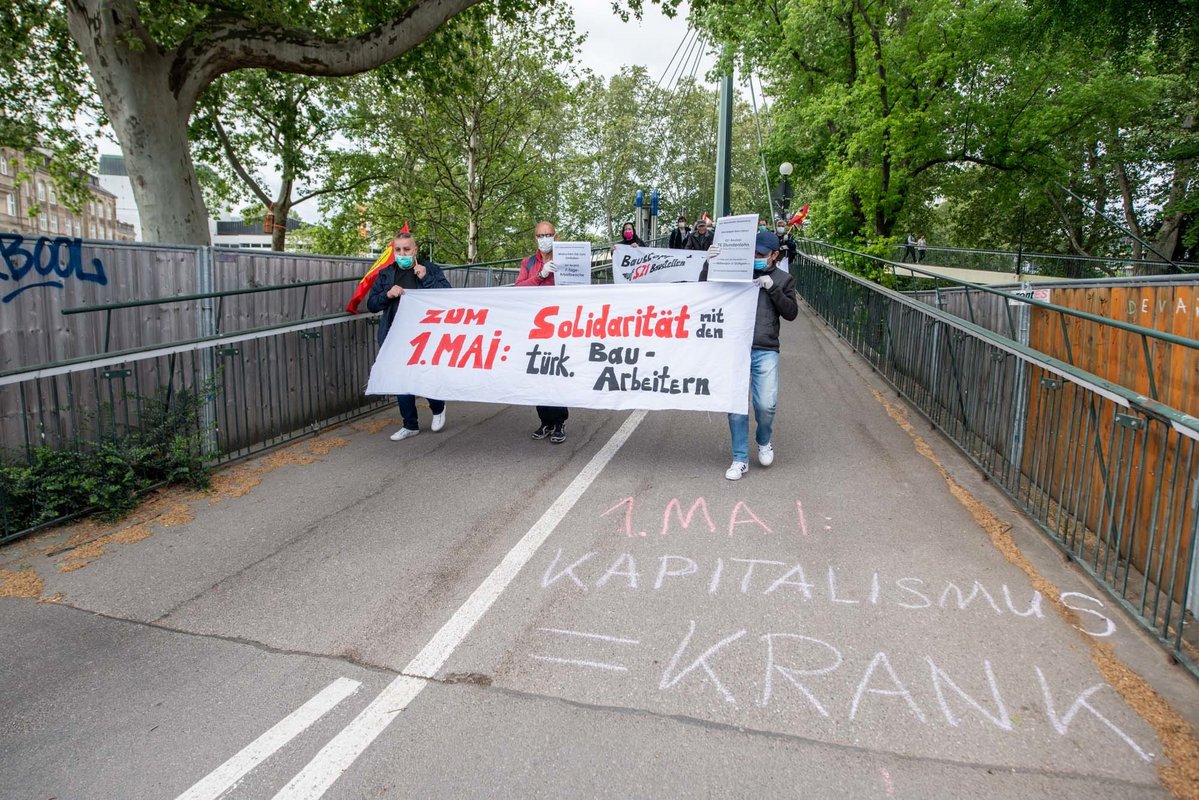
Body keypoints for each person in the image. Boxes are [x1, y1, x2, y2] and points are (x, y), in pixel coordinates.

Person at [701, 231, 799, 480]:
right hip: (735, 347)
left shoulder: (784, 279)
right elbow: (705, 291)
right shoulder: (736, 273)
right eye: (753, 252)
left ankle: (764, 440)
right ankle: (740, 458)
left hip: (765, 348)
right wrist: (708, 263)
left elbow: (791, 313)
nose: (755, 257)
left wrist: (773, 288)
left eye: (761, 254)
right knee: (735, 405)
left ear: (775, 255)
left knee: (766, 404)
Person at [366, 229, 452, 441]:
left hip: (425, 336)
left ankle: (438, 407)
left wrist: (426, 279)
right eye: (398, 250)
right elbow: (371, 304)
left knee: (427, 375)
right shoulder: (385, 274)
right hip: (394, 336)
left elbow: (448, 295)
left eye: (406, 249)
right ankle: (410, 424)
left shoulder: (429, 269)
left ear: (415, 250)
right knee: (401, 381)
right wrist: (387, 294)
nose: (402, 253)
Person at [515, 220, 569, 444]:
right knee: (537, 374)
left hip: (560, 327)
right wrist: (540, 276)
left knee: (555, 373)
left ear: (555, 237)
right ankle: (545, 421)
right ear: (535, 238)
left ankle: (559, 422)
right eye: (540, 235)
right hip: (535, 327)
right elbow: (518, 288)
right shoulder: (528, 262)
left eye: (549, 234)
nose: (545, 239)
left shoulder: (567, 258)